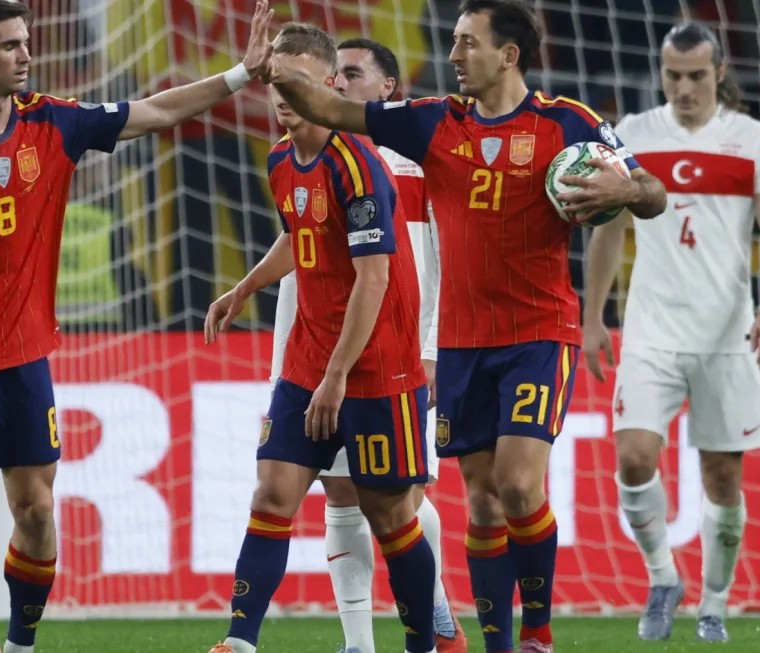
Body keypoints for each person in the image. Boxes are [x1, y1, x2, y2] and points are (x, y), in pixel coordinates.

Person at [0, 1, 274, 651]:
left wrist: (237, 76)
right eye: (9, 46)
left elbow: (155, 112)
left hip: (21, 354)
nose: (25, 55)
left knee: (36, 508)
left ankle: (22, 644)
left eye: (26, 42)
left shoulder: (55, 123)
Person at [265, 1, 668, 651]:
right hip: (460, 343)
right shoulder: (431, 124)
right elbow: (332, 110)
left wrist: (623, 192)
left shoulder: (566, 123)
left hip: (539, 332)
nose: (452, 56)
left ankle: (535, 632)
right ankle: (498, 645)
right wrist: (267, 71)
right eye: (452, 42)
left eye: (465, 43)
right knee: (480, 503)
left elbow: (652, 192)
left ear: (507, 55)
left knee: (516, 482)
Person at [204, 22, 439, 653]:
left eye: (297, 79)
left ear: (330, 84)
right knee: (273, 492)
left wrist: (338, 377)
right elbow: (299, 235)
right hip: (308, 359)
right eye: (275, 78)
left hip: (376, 367)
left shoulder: (358, 164)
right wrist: (245, 288)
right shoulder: (282, 158)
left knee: (390, 516)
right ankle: (240, 640)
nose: (281, 93)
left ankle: (426, 641)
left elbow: (372, 279)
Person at [582, 21, 760, 644]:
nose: (684, 88)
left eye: (697, 75)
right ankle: (662, 576)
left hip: (728, 335)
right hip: (651, 330)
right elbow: (608, 228)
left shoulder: (754, 138)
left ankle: (714, 605)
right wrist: (592, 316)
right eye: (673, 76)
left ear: (719, 72)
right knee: (634, 457)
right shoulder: (633, 134)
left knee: (723, 478)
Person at [268, 36, 465, 653]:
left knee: (401, 496)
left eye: (353, 75)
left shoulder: (420, 164)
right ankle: (358, 643)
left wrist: (433, 345)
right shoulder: (302, 155)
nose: (340, 85)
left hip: (397, 350)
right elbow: (297, 258)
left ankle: (436, 616)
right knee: (337, 486)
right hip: (314, 341)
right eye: (337, 75)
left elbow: (446, 262)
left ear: (386, 91)